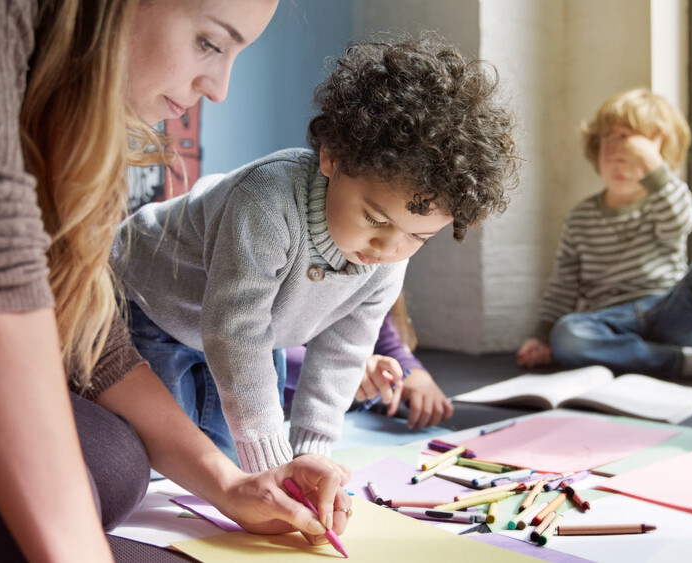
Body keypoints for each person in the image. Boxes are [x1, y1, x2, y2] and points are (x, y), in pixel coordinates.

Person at [0, 2, 356, 561]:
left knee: (111, 457)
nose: (218, 88)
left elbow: (89, 338)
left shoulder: (56, 94)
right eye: (210, 44)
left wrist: (229, 483)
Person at [113, 32, 519, 472]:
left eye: (418, 238)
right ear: (332, 156)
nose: (389, 248)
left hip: (254, 332)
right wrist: (273, 465)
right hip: (153, 303)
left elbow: (344, 351)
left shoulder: (389, 257)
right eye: (375, 219)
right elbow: (234, 333)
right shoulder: (266, 201)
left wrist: (309, 454)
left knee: (234, 462)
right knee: (169, 464)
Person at [516, 88, 692, 378]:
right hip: (611, 323)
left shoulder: (664, 201)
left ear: (659, 160)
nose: (620, 159)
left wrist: (651, 163)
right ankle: (685, 363)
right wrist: (542, 336)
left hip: (667, 312)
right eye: (610, 147)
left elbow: (681, 221)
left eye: (632, 154)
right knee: (567, 334)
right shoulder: (581, 216)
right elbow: (563, 283)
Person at [284, 297, 455, 430]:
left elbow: (383, 337)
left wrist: (413, 372)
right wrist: (342, 366)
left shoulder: (377, 270)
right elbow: (264, 348)